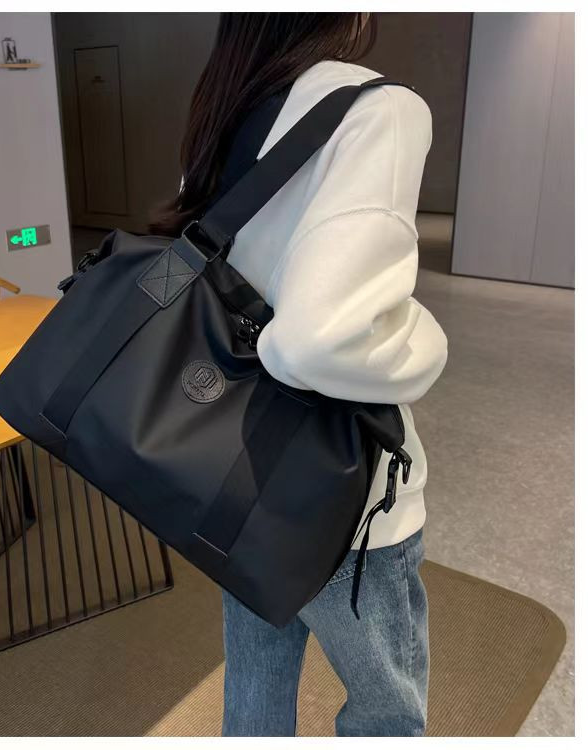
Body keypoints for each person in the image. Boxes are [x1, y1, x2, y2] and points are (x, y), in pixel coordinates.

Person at [150, 12, 448, 738]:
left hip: (233, 467)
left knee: (255, 692)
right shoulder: (380, 109)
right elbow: (313, 344)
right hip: (337, 494)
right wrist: (428, 344)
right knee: (386, 714)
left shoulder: (228, 105)